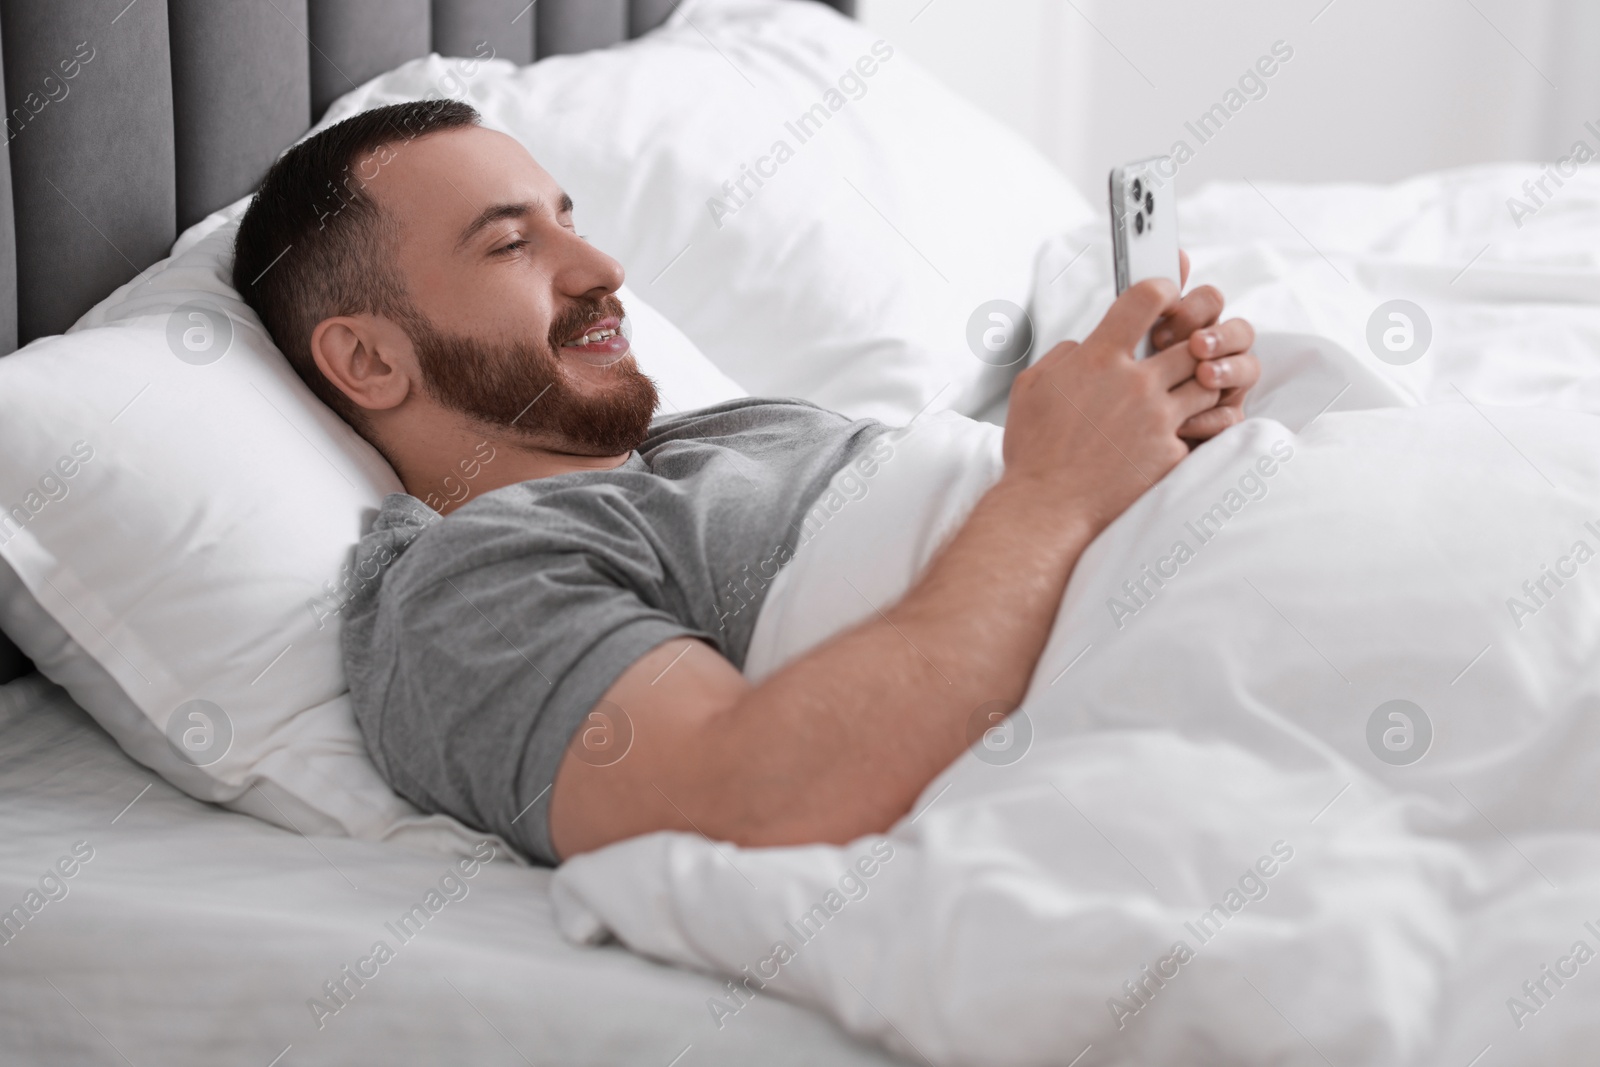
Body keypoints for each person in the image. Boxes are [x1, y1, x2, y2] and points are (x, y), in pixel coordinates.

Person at [232, 99, 1259, 866]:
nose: (601, 264)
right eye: (509, 242)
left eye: (568, 219)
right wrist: (1059, 491)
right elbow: (755, 797)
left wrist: (1149, 427)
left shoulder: (723, 433)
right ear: (367, 361)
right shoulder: (464, 585)